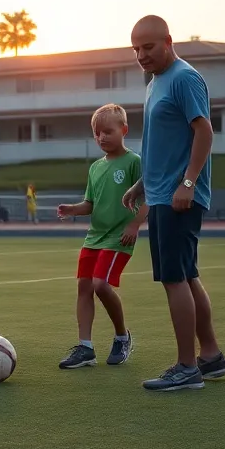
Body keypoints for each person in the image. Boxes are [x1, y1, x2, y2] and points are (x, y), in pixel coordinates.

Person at [123, 15, 225, 391]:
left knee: (173, 279)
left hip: (178, 196)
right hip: (162, 192)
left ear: (168, 41)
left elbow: (204, 130)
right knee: (186, 275)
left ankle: (187, 367)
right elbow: (163, 143)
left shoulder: (184, 78)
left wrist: (188, 182)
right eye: (135, 48)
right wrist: (141, 185)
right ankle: (211, 357)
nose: (141, 55)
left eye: (148, 47)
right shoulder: (156, 82)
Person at [56, 104, 146, 369]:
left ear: (124, 130)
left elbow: (149, 196)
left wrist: (135, 225)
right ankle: (85, 348)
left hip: (120, 237)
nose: (102, 137)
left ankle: (122, 336)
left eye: (108, 131)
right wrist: (74, 209)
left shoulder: (134, 162)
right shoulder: (95, 167)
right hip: (93, 238)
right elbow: (90, 204)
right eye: (97, 133)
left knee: (100, 285)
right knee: (84, 288)